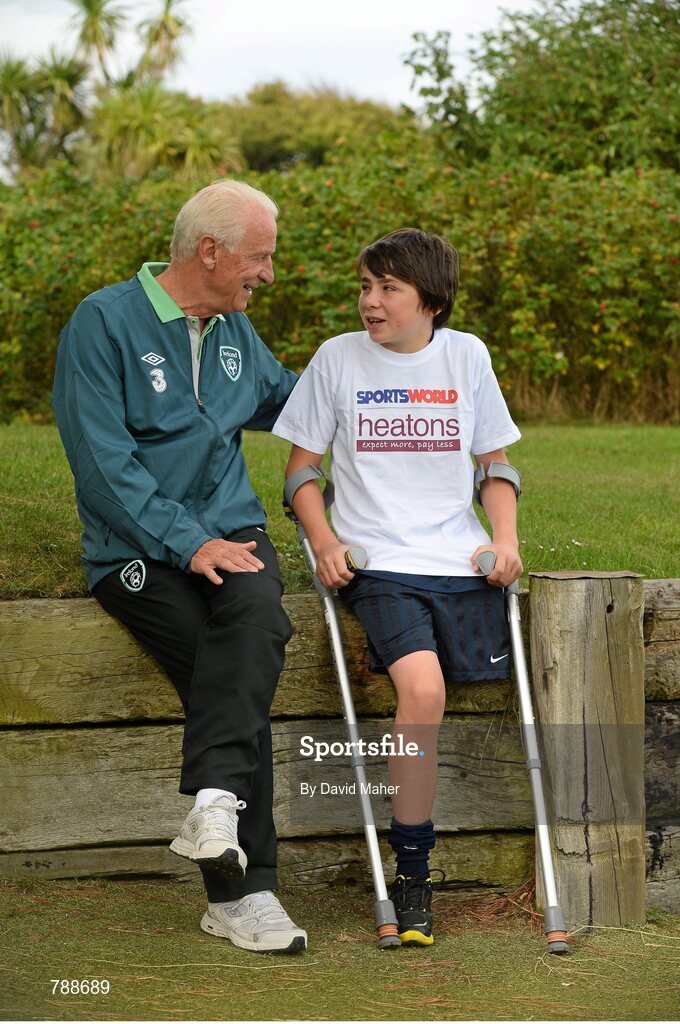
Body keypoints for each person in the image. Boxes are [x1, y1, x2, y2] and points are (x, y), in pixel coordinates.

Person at [52, 180, 308, 954]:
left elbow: (297, 404)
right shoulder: (103, 322)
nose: (267, 274)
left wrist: (398, 381)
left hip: (232, 533)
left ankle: (215, 814)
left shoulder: (235, 334)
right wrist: (186, 543)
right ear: (211, 251)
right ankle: (244, 893)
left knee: (259, 619)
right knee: (229, 676)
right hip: (135, 551)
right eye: (258, 258)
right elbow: (102, 466)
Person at [272, 227, 522, 946]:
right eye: (365, 286)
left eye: (388, 289)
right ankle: (413, 875)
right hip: (376, 564)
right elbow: (299, 472)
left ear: (432, 301)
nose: (370, 302)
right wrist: (324, 543)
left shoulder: (467, 356)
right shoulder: (336, 359)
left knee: (479, 683)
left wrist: (503, 542)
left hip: (457, 560)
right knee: (423, 690)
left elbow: (496, 467)